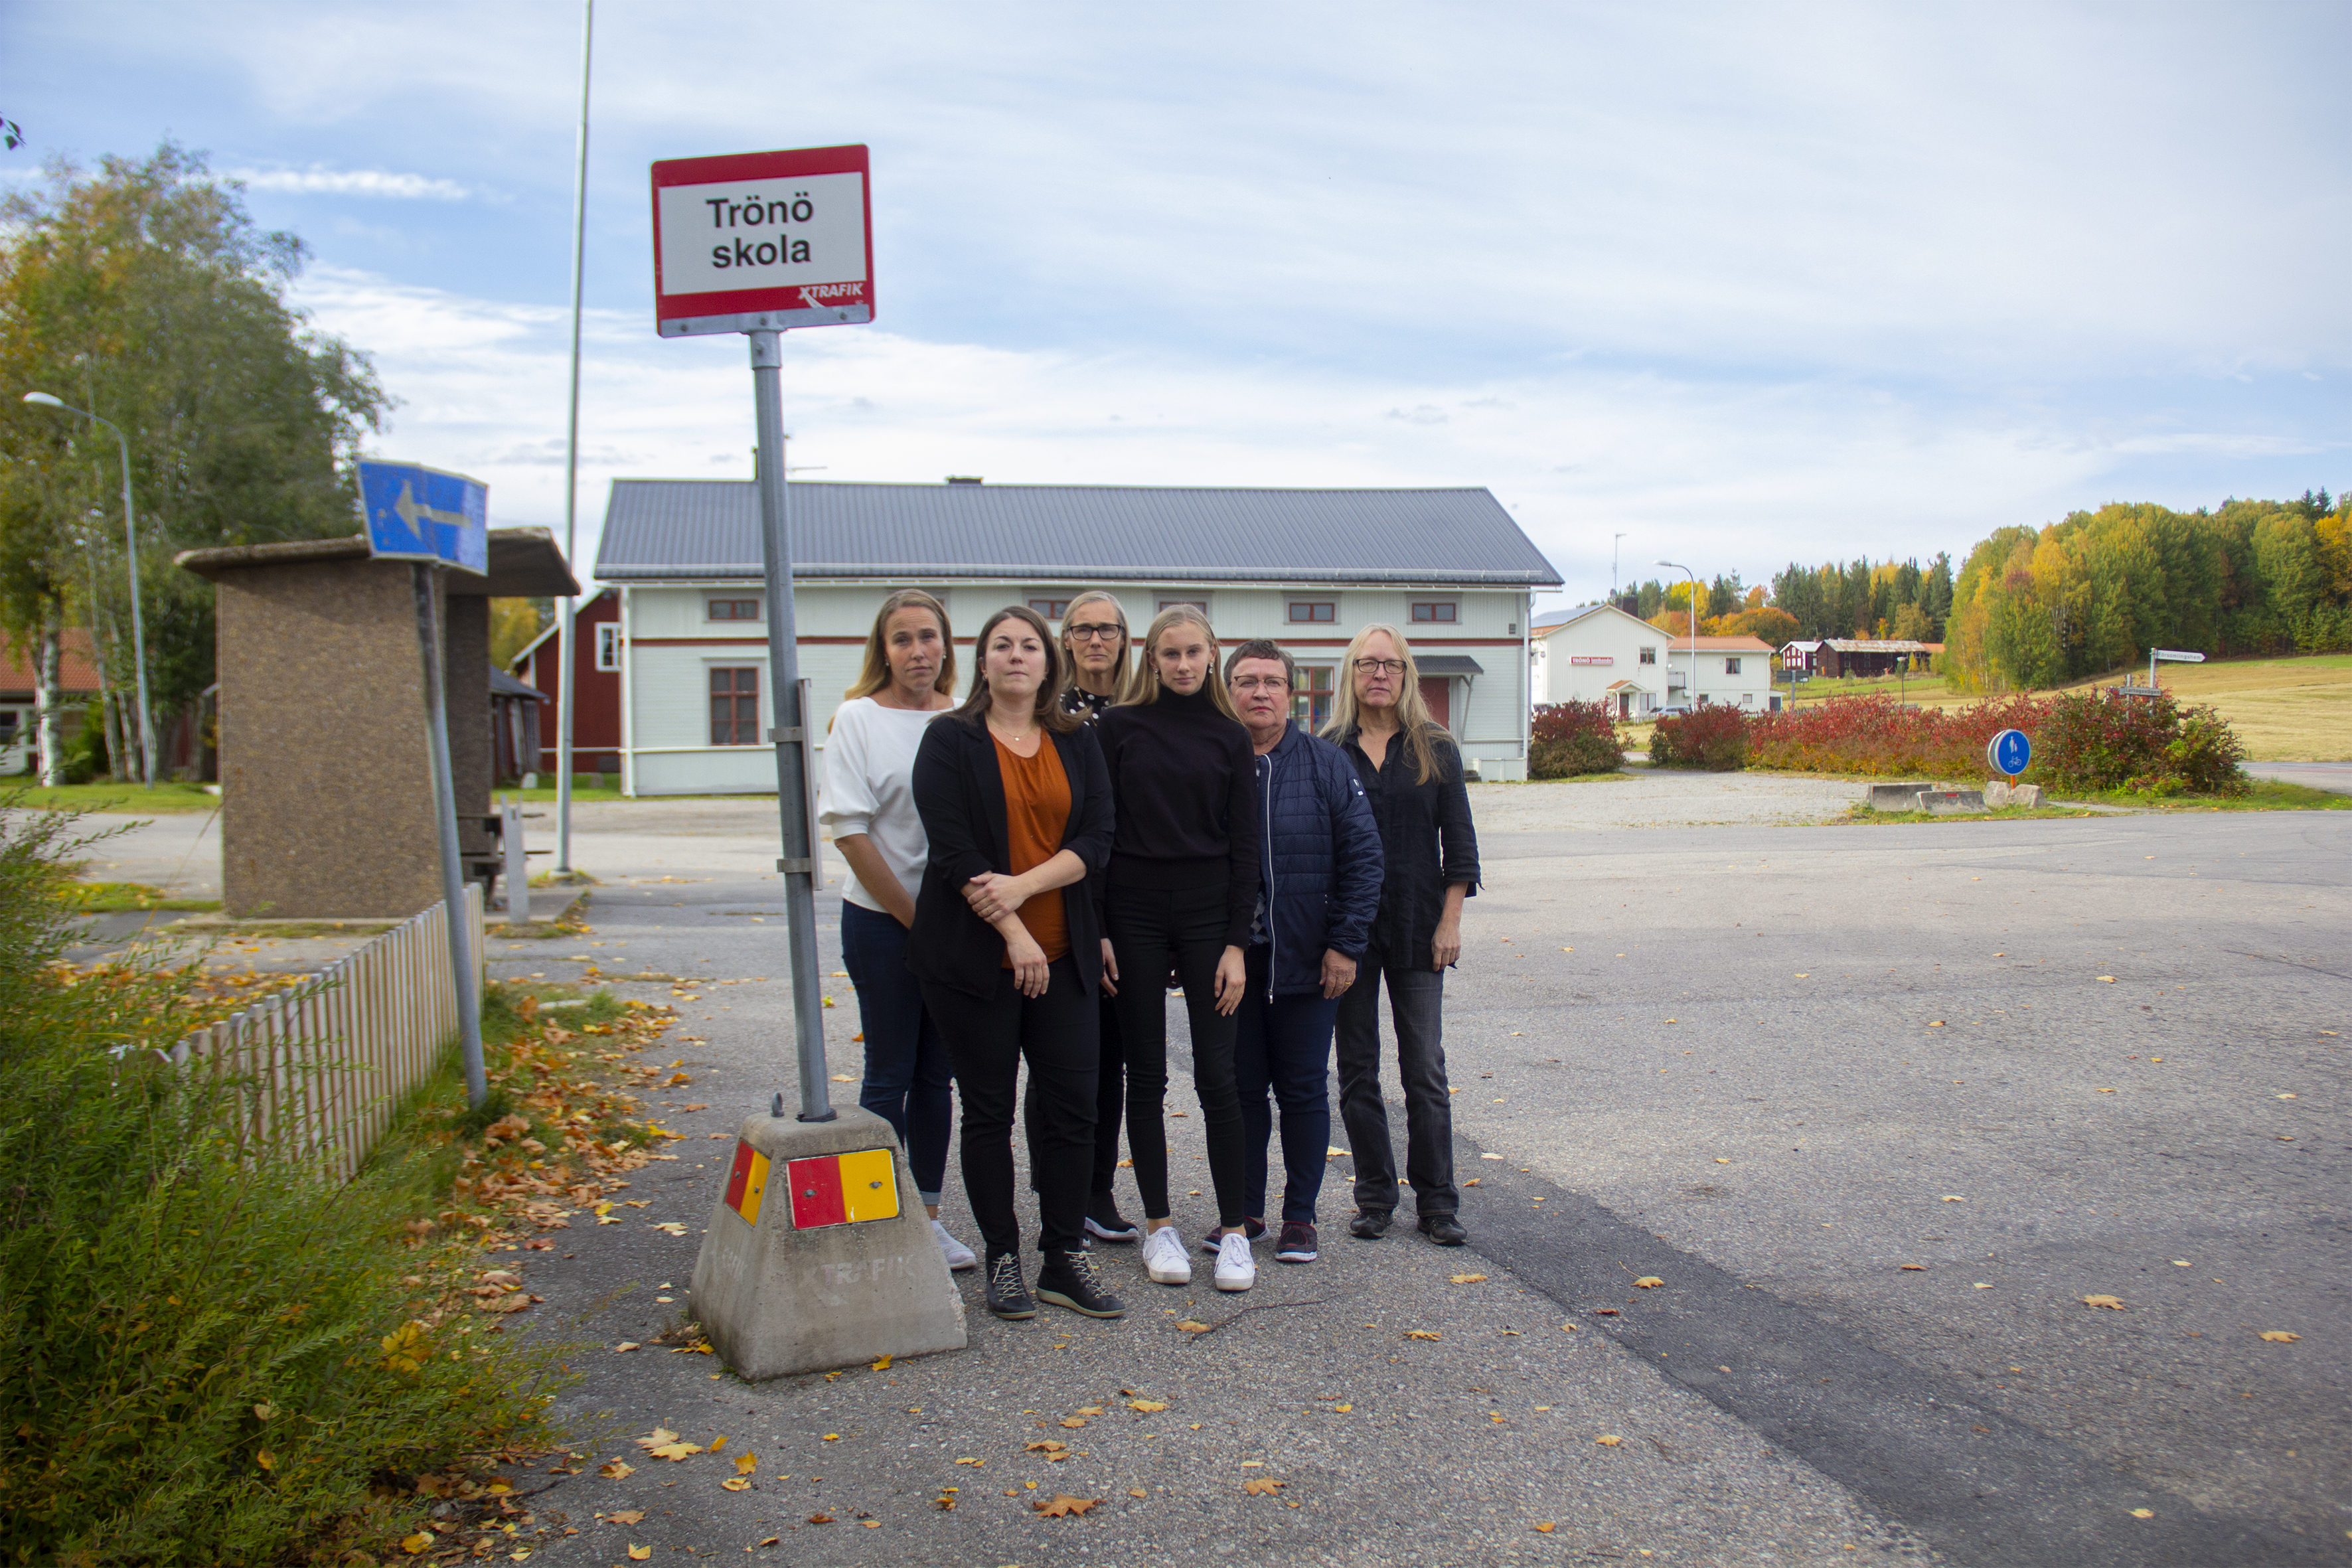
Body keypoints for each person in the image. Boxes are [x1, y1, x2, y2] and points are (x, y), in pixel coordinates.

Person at [909, 606, 1123, 1321]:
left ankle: (1064, 1255)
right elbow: (954, 850)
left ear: (1047, 662)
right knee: (989, 1111)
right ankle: (1002, 1257)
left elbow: (1097, 837)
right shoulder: (949, 740)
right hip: (974, 962)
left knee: (1071, 1111)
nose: (1016, 656)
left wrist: (1028, 892)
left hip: (1064, 954)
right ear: (982, 662)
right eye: (1001, 645)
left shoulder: (1076, 739)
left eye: (1028, 645)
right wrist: (1013, 932)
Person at [1095, 606, 1263, 1292]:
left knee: (1218, 1077)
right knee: (1146, 1074)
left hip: (1206, 917)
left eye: (1195, 652)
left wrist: (1235, 944)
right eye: (1171, 653)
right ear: (1151, 657)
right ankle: (1159, 1226)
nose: (1184, 664)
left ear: (1212, 654)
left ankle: (1232, 1233)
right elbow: (1098, 833)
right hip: (1132, 911)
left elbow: (1245, 848)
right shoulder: (1116, 729)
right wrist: (1102, 927)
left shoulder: (1230, 736)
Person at [817, 589, 975, 1273]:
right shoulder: (857, 719)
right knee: (889, 1073)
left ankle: (929, 1219)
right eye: (903, 638)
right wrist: (920, 926)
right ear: (882, 649)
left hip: (957, 927)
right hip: (884, 924)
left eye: (929, 637)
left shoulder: (967, 718)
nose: (918, 651)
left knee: (937, 1075)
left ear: (947, 646)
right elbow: (850, 833)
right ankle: (872, 1218)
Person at [1223, 639, 1383, 1265]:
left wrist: (1344, 946)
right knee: (1239, 1091)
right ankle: (1244, 1211)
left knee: (1302, 1091)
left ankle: (1299, 1217)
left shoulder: (1325, 763)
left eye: (1271, 681)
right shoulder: (1215, 762)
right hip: (1236, 964)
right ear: (1228, 690)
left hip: (1308, 961)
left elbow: (1364, 860)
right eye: (1245, 681)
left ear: (1290, 693)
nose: (1259, 692)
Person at [1322, 623, 1480, 1247]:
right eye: (1367, 665)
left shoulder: (1436, 748)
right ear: (1352, 674)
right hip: (1351, 935)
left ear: (1406, 673)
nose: (1379, 675)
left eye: (1390, 665)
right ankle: (1374, 1197)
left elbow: (1460, 846)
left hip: (1419, 929)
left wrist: (1451, 921)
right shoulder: (1331, 749)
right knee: (1357, 1071)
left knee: (1424, 1069)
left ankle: (1437, 1203)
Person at [1052, 590, 1147, 1245]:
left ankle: (1097, 1192)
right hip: (1062, 899)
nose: (1095, 640)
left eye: (1107, 629)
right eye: (1082, 629)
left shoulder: (1144, 712)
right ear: (1066, 639)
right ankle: (1058, 1193)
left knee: (1112, 1056)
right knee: (1062, 1060)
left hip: (1131, 904)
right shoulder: (1049, 712)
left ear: (1124, 638)